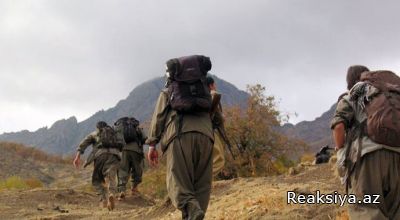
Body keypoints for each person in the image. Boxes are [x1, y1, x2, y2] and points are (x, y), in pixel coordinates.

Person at [146, 55, 214, 220]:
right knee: (201, 185)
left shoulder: (169, 91)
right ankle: (195, 213)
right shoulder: (205, 90)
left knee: (177, 181)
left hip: (179, 136)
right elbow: (218, 117)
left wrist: (152, 144)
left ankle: (191, 208)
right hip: (206, 137)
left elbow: (159, 118)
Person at [331, 65, 400, 219]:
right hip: (397, 157)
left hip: (367, 159)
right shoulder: (390, 96)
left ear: (349, 81)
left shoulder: (353, 95)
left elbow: (338, 126)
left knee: (365, 208)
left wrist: (340, 148)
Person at [73, 121, 124, 211]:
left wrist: (77, 157)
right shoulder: (113, 133)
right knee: (111, 177)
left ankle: (103, 199)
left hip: (100, 156)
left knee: (96, 180)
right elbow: (122, 145)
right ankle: (111, 193)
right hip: (114, 156)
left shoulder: (95, 133)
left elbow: (83, 144)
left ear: (98, 127)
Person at [115, 117, 147, 200]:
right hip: (136, 150)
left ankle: (122, 190)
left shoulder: (121, 128)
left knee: (123, 170)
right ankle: (134, 188)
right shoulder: (136, 127)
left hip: (123, 150)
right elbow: (144, 138)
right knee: (137, 169)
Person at [207, 76, 227, 176]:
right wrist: (222, 117)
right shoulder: (212, 95)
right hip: (209, 131)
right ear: (211, 85)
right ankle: (201, 182)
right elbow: (219, 118)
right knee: (219, 160)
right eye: (214, 84)